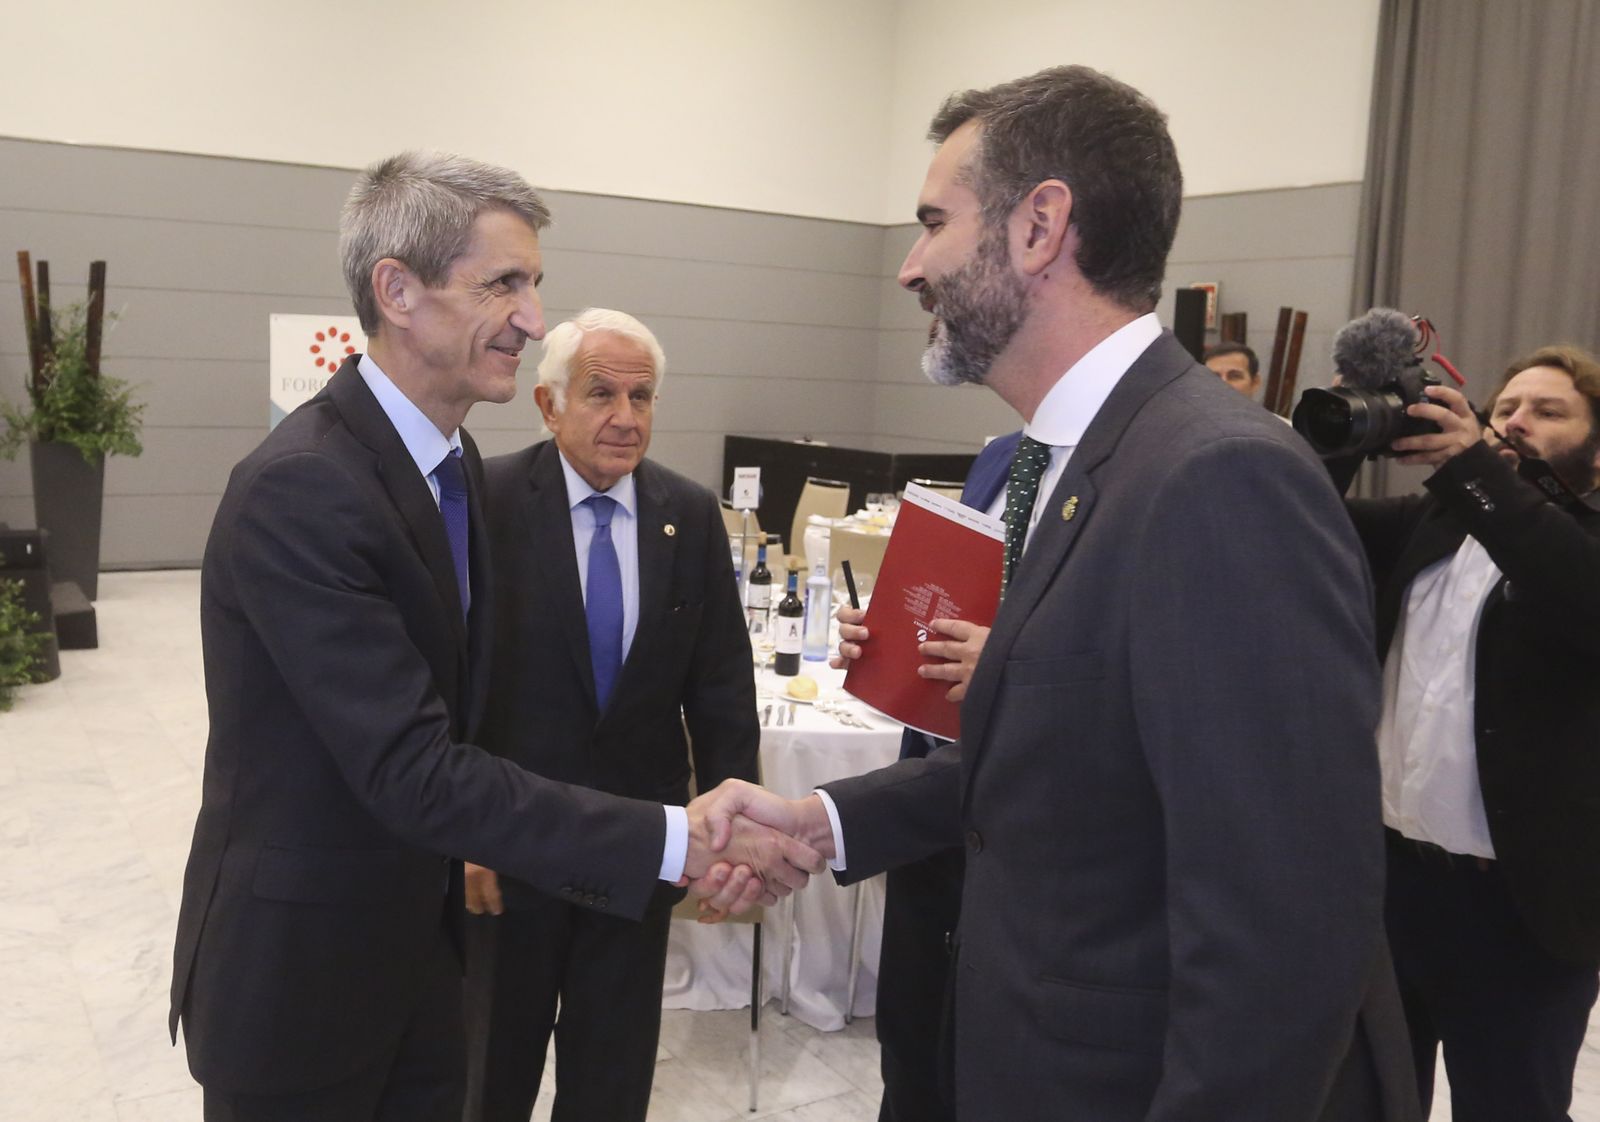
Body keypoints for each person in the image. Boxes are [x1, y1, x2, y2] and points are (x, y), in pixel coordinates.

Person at [695, 65, 1420, 1121]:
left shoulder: (1219, 476)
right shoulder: (1083, 464)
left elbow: (1286, 926)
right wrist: (821, 821)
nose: (909, 267)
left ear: (1038, 228)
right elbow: (1070, 762)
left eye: (932, 222)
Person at [168, 151, 818, 1122]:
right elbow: (415, 768)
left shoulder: (452, 468)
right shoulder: (303, 490)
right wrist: (672, 837)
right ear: (398, 290)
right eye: (501, 284)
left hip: (426, 964)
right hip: (306, 986)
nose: (532, 319)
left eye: (535, 284)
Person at [461, 309, 759, 1122]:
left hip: (639, 850)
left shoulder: (689, 514)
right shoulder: (484, 500)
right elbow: (454, 685)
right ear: (549, 405)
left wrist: (741, 838)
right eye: (601, 394)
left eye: (643, 396)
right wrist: (463, 835)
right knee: (488, 1075)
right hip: (511, 851)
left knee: (612, 1079)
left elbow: (723, 685)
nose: (626, 418)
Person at [1333, 344, 1600, 1121]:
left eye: (1547, 411)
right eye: (1506, 406)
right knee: (1371, 1100)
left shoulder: (1576, 542)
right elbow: (1304, 524)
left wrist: (1474, 466)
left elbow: (1570, 587)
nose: (1516, 421)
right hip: (1394, 889)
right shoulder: (1437, 522)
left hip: (1521, 912)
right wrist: (1339, 440)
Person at [874, 430, 1015, 1122]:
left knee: (982, 1061)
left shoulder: (1139, 465)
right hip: (929, 796)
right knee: (907, 1036)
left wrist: (1014, 656)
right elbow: (961, 597)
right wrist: (883, 634)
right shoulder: (1001, 456)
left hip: (1019, 820)